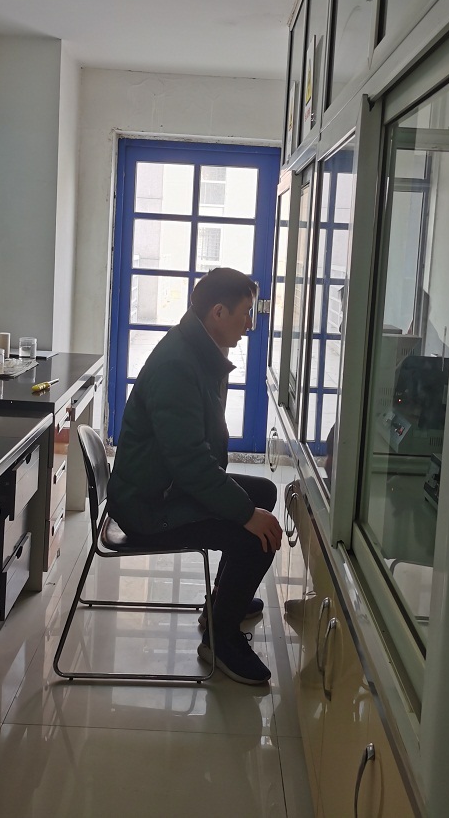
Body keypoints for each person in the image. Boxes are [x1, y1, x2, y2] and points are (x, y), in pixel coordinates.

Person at [108, 267, 282, 685]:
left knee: (263, 493)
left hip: (160, 486)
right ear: (218, 312)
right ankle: (221, 640)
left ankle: (222, 603)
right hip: (149, 506)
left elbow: (195, 457)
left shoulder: (196, 351)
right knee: (256, 536)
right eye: (245, 313)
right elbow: (189, 462)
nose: (250, 324)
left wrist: (243, 506)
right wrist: (244, 514)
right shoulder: (178, 365)